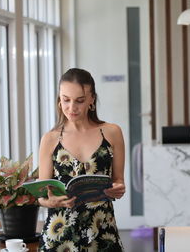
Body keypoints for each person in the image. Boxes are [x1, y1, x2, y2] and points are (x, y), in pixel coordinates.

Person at [37, 68, 126, 251]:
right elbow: (41, 196)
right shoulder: (50, 139)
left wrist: (117, 189)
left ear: (92, 99)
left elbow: (118, 181)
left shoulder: (112, 132)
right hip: (60, 236)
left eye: (80, 100)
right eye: (66, 99)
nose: (71, 107)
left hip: (102, 232)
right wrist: (52, 201)